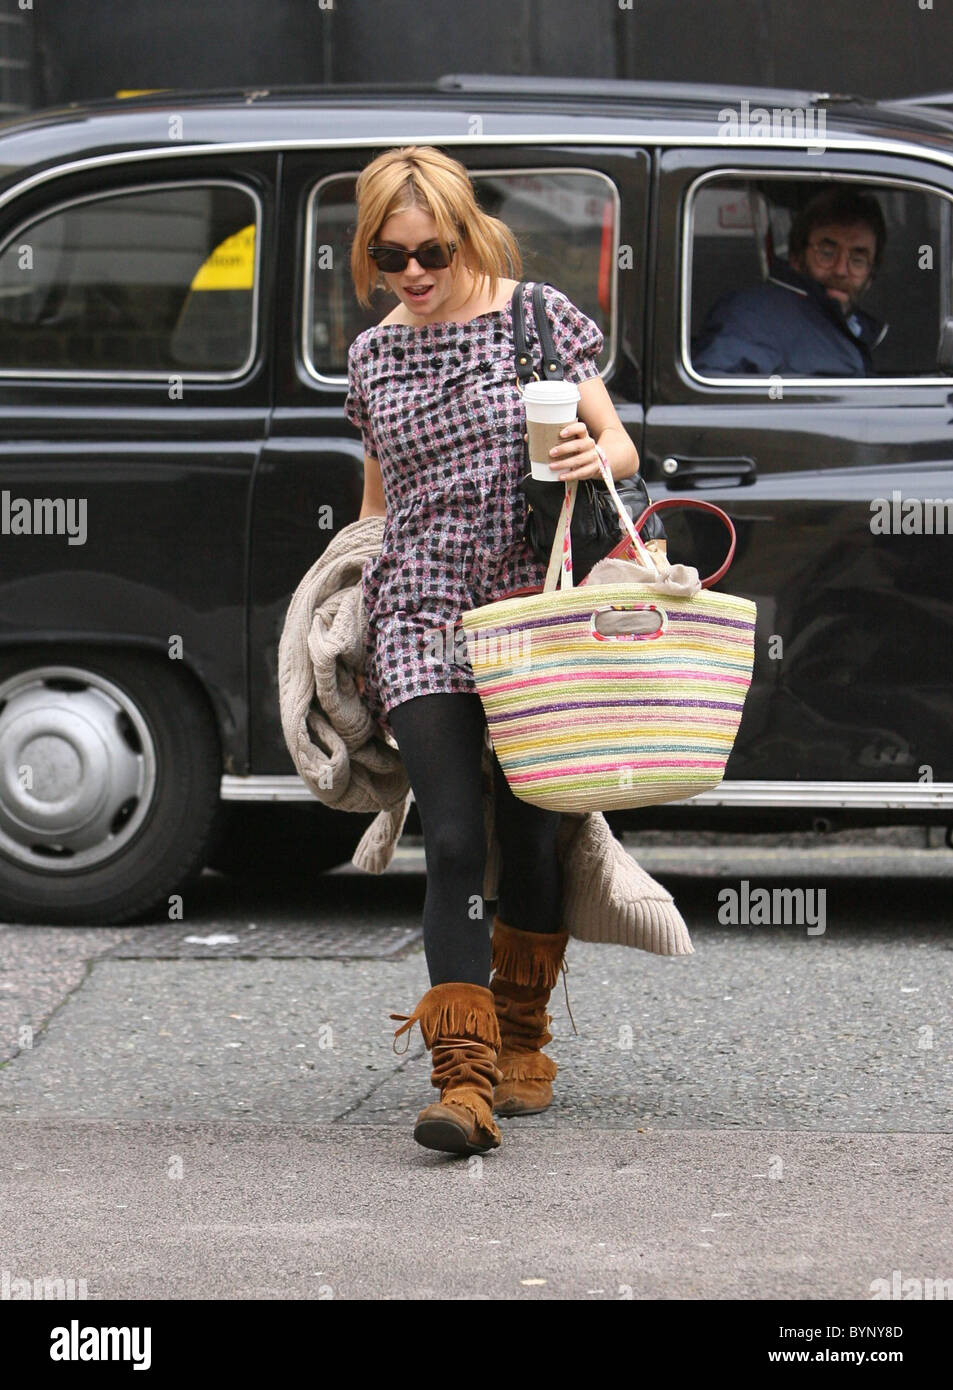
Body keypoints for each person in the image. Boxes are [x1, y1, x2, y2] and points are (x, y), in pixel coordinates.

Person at [343, 145, 641, 1157]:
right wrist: (341, 611)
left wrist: (584, 456)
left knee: (530, 834)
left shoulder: (536, 317)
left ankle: (522, 1043)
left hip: (532, 606)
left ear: (467, 233)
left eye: (431, 251)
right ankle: (460, 1084)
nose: (414, 274)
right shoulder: (372, 355)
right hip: (419, 609)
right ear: (370, 253)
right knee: (454, 839)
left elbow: (623, 450)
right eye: (390, 257)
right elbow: (375, 511)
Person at [691, 187, 888, 377]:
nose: (841, 270)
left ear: (871, 276)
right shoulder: (755, 316)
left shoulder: (855, 327)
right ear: (796, 257)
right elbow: (715, 396)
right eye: (827, 253)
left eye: (857, 260)